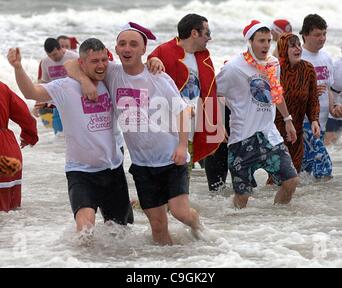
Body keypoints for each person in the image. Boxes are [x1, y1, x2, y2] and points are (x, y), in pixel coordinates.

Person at [65, 22, 202, 245]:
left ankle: (199, 227)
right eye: (122, 44)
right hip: (142, 165)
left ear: (143, 50)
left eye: (133, 44)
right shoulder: (111, 72)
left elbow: (183, 111)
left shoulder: (157, 77)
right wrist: (83, 81)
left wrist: (181, 145)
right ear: (116, 50)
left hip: (170, 158)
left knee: (180, 213)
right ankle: (169, 262)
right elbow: (72, 63)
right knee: (157, 226)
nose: (127, 48)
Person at [7, 39, 133, 240]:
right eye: (94, 61)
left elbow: (134, 70)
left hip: (112, 169)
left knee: (121, 232)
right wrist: (18, 68)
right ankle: (77, 261)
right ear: (81, 64)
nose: (101, 65)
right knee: (85, 230)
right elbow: (31, 92)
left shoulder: (110, 81)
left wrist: (154, 62)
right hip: (80, 171)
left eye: (103, 60)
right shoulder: (64, 87)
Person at [216, 20, 299, 208]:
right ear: (250, 42)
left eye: (269, 40)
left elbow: (276, 93)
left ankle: (277, 222)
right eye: (261, 41)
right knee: (242, 198)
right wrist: (218, 124)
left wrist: (287, 120)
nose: (266, 45)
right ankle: (238, 229)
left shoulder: (273, 63)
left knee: (291, 181)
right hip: (242, 139)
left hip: (269, 136)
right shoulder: (233, 68)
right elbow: (211, 93)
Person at [147, 14, 225, 179]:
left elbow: (209, 93)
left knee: (183, 179)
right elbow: (149, 66)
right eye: (207, 33)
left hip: (190, 131)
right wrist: (153, 60)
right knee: (161, 181)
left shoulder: (204, 58)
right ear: (194, 33)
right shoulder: (165, 51)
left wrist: (216, 123)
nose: (209, 38)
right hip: (166, 131)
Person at [266, 33, 320, 184]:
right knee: (275, 179)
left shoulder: (308, 69)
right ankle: (265, 206)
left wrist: (314, 120)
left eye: (298, 45)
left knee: (292, 177)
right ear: (284, 49)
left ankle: (286, 207)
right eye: (292, 45)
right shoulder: (275, 70)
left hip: (297, 132)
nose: (298, 49)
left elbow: (313, 99)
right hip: (275, 132)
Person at [299, 14, 342, 180]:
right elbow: (286, 90)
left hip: (321, 122)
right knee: (324, 167)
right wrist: (308, 91)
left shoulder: (326, 57)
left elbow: (329, 89)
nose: (322, 38)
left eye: (324, 34)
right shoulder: (298, 57)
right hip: (303, 121)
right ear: (305, 34)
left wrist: (333, 108)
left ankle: (306, 201)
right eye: (317, 34)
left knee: (305, 169)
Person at [0, 81, 38, 212]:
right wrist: (29, 135)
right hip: (9, 153)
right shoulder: (2, 87)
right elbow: (26, 115)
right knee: (12, 215)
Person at [34, 38, 79, 135]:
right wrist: (37, 104)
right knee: (59, 133)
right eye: (50, 56)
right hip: (56, 100)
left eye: (54, 54)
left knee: (75, 130)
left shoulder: (73, 57)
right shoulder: (45, 62)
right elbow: (44, 83)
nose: (53, 58)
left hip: (74, 98)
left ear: (60, 49)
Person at [325, 47, 342, 145]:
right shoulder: (335, 66)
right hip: (334, 112)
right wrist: (335, 105)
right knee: (330, 147)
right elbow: (327, 88)